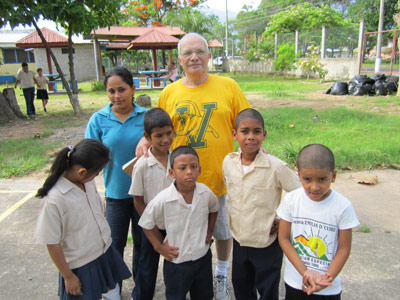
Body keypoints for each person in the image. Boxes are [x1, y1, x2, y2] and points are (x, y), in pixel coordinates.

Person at [136, 32, 251, 300]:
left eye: (199, 51)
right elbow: (157, 127)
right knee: (182, 230)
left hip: (217, 178)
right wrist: (143, 142)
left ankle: (220, 274)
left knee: (221, 231)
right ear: (179, 60)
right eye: (188, 53)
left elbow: (244, 122)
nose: (194, 57)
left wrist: (255, 146)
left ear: (209, 55)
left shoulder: (228, 86)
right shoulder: (169, 92)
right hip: (180, 184)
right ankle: (185, 275)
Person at [33, 139, 131, 300]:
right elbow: (52, 243)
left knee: (112, 292)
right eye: (97, 171)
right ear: (82, 172)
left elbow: (98, 210)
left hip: (104, 252)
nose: (97, 175)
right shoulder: (54, 200)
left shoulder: (87, 182)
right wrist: (68, 276)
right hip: (81, 264)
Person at [222, 108, 301, 300]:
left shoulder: (275, 166)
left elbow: (299, 193)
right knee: (241, 285)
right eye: (244, 131)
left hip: (267, 241)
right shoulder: (228, 162)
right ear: (234, 135)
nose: (251, 137)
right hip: (240, 240)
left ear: (264, 135)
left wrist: (283, 219)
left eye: (256, 131)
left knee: (267, 288)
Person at [85, 66, 146, 285]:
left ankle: (142, 289)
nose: (117, 96)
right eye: (111, 91)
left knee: (143, 246)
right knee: (113, 246)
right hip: (115, 195)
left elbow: (161, 145)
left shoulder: (146, 117)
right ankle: (113, 289)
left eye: (122, 89)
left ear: (133, 88)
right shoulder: (98, 119)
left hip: (144, 195)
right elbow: (88, 155)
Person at [277, 144, 360, 300]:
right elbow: (284, 238)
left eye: (322, 179)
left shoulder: (342, 207)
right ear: (298, 174)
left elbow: (343, 249)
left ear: (333, 176)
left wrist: (326, 278)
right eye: (307, 179)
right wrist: (305, 272)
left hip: (328, 288)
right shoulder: (291, 201)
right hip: (296, 281)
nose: (314, 187)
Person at [139, 146, 219, 300]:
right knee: (176, 295)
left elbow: (214, 208)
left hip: (202, 257)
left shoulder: (205, 193)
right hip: (177, 262)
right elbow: (146, 223)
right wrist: (159, 246)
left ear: (199, 169)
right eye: (182, 168)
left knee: (204, 295)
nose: (189, 171)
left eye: (193, 167)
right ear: (172, 172)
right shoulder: (162, 199)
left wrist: (210, 231)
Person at [129, 108, 174, 300]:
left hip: (175, 223)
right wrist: (150, 225)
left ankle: (177, 293)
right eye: (158, 136)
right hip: (151, 225)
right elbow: (138, 200)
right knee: (147, 266)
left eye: (169, 133)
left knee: (176, 264)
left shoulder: (177, 159)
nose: (165, 139)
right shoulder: (142, 165)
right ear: (147, 137)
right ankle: (140, 296)